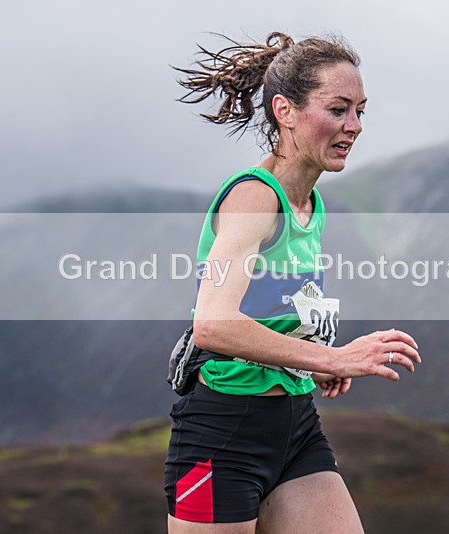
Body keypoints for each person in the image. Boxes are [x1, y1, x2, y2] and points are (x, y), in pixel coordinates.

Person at [164, 31, 420, 533]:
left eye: (360, 112)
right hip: (223, 434)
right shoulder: (255, 198)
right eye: (339, 109)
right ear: (285, 110)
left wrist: (310, 352)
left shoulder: (310, 204)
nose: (354, 126)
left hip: (296, 426)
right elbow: (212, 325)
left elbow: (274, 303)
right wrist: (333, 357)